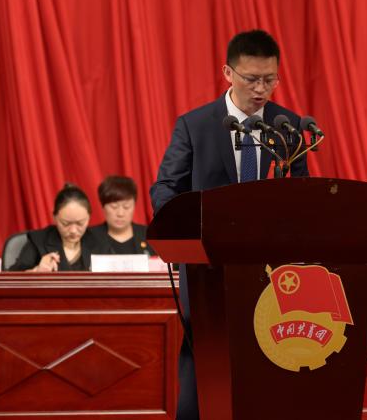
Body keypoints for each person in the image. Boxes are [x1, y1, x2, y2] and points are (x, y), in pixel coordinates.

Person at [150, 30, 309, 420]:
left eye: (269, 80)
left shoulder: (287, 125)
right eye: (251, 79)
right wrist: (190, 233)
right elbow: (166, 188)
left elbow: (303, 194)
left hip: (271, 272)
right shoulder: (196, 125)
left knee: (269, 361)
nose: (260, 89)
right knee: (205, 364)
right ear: (227, 73)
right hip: (207, 268)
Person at [7, 183, 98, 272]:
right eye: (65, 223)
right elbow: (11, 276)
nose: (73, 230)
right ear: (54, 218)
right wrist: (36, 271)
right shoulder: (39, 241)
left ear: (89, 217)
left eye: (80, 223)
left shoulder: (99, 240)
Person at [86, 175, 154, 255]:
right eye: (114, 207)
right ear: (103, 206)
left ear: (134, 206)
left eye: (126, 207)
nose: (120, 213)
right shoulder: (89, 237)